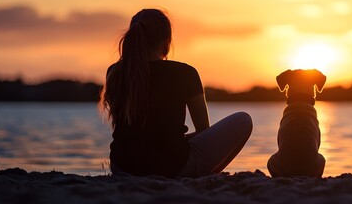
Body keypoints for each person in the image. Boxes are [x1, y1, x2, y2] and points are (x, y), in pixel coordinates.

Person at [100, 9, 252, 178]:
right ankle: (204, 175)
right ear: (167, 42)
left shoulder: (114, 72)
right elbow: (203, 129)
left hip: (122, 167)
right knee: (244, 120)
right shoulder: (185, 73)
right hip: (172, 167)